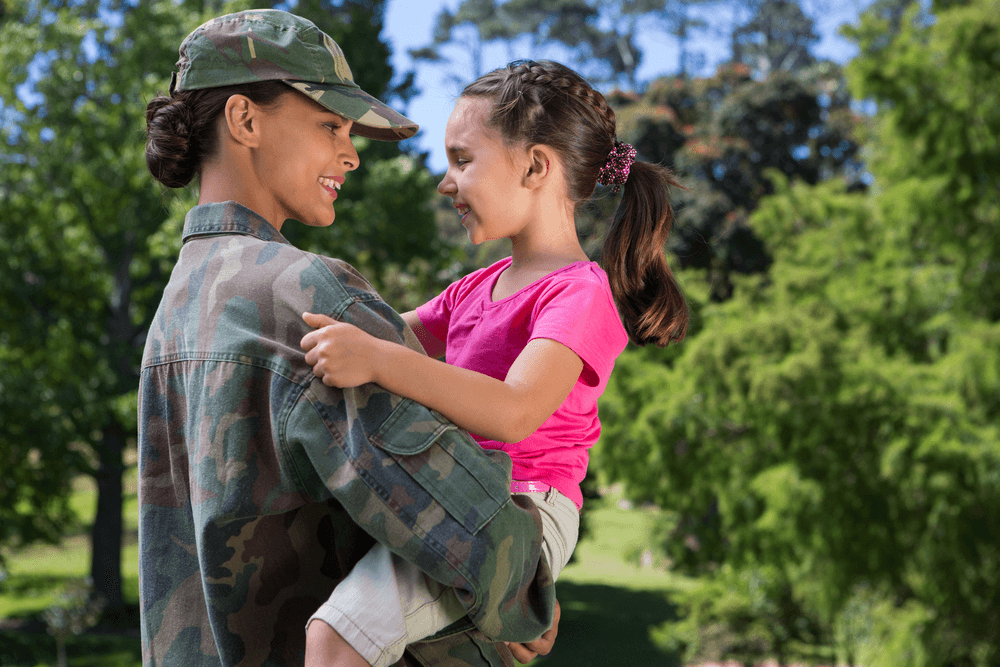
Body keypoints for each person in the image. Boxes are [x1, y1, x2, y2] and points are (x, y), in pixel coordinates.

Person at [137, 11, 558, 667]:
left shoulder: (175, 313)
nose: (352, 153)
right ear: (245, 120)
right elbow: (455, 510)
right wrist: (528, 580)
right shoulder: (302, 292)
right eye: (330, 125)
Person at [299, 59, 688, 667]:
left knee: (335, 638)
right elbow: (387, 333)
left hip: (523, 508)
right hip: (461, 492)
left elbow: (513, 411)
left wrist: (373, 357)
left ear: (535, 166)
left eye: (462, 160)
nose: (444, 183)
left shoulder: (580, 293)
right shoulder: (476, 287)